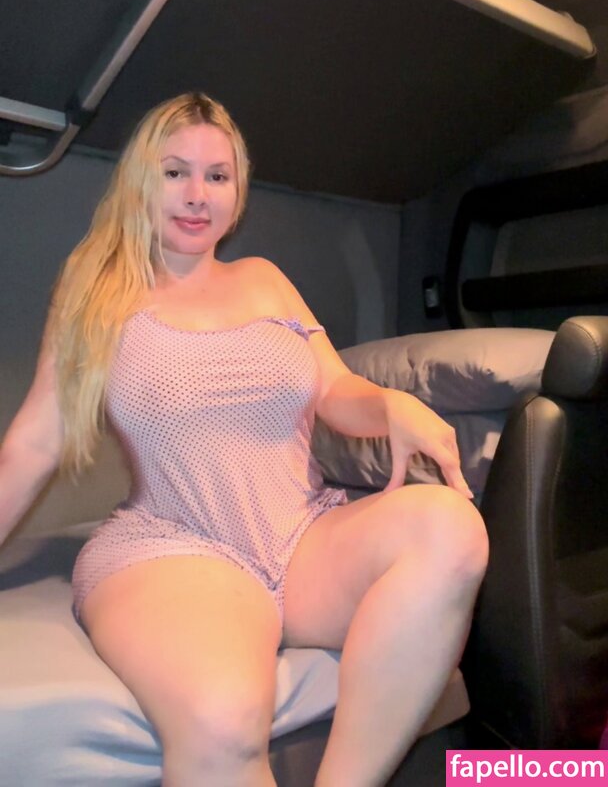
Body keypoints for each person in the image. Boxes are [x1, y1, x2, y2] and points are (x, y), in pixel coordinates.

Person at [0, 92, 488, 787]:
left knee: (452, 530)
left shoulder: (265, 280)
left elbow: (335, 391)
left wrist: (390, 404)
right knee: (225, 722)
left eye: (217, 176)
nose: (197, 195)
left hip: (303, 538)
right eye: (175, 172)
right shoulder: (98, 292)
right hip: (178, 543)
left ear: (238, 190)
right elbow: (32, 446)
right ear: (141, 179)